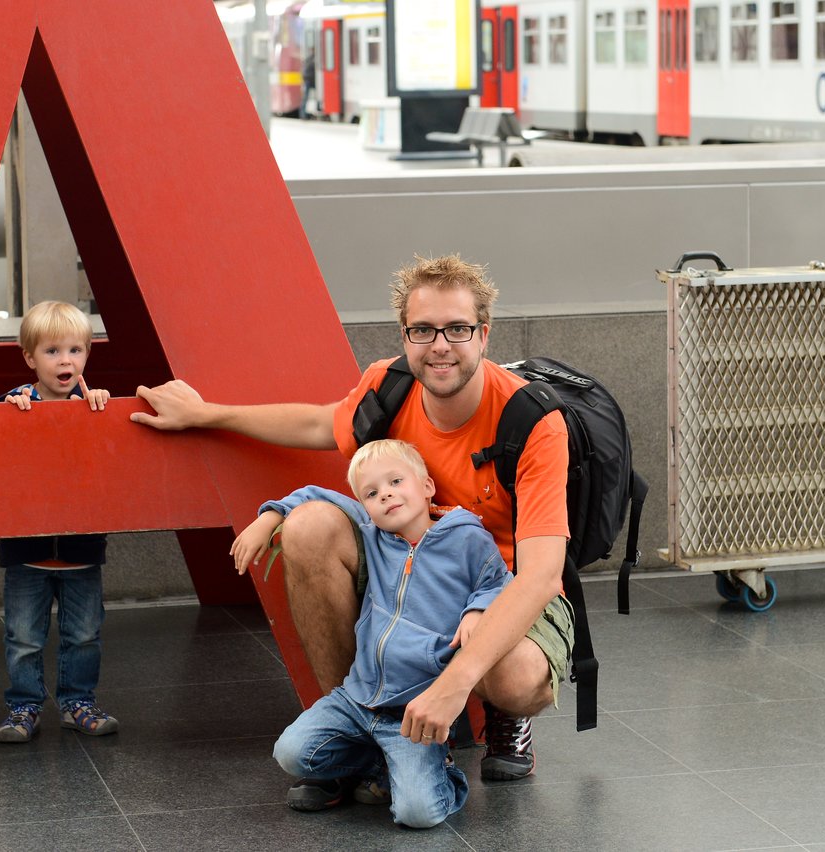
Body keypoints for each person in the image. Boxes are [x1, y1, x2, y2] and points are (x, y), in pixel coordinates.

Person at [131, 255, 573, 805]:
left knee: (515, 675)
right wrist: (206, 414)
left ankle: (503, 718)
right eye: (423, 330)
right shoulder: (388, 389)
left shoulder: (532, 422)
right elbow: (319, 422)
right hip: (403, 571)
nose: (440, 345)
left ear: (484, 334)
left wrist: (456, 685)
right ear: (405, 336)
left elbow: (539, 576)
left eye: (457, 329)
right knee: (309, 525)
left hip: (497, 582)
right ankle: (358, 731)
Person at [233, 439, 511, 827]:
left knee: (418, 815)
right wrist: (269, 517)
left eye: (397, 481)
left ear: (427, 486)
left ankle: (440, 774)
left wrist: (478, 609)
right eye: (373, 493)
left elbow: (499, 580)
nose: (387, 495)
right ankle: (380, 763)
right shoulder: (373, 535)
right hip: (358, 698)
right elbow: (317, 497)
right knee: (290, 753)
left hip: (413, 712)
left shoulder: (465, 537)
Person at [0, 300, 119, 744]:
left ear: (86, 355)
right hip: (28, 552)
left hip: (81, 548)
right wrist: (8, 406)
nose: (65, 360)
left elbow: (107, 453)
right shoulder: (18, 403)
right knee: (24, 636)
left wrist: (99, 404)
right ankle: (23, 706)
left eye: (74, 350)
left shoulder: (92, 406)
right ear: (30, 358)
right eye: (51, 351)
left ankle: (77, 702)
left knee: (83, 634)